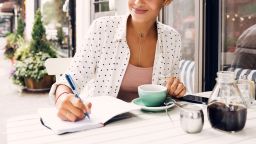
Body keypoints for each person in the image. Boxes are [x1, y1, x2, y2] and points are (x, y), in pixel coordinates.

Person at [49, 0, 186, 122]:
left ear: (166, 1)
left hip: (149, 126)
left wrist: (174, 90)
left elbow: (170, 91)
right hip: (101, 125)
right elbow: (68, 80)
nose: (138, 2)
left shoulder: (172, 39)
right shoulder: (102, 29)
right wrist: (63, 97)